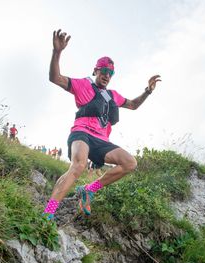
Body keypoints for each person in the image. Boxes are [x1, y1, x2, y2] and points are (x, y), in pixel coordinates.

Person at [43, 29, 161, 219]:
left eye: (111, 73)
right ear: (96, 70)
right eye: (104, 71)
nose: (107, 75)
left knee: (130, 163)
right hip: (81, 133)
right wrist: (57, 52)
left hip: (101, 140)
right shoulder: (83, 85)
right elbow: (55, 78)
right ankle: (47, 214)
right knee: (79, 165)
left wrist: (147, 91)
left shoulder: (113, 95)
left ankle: (88, 189)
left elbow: (133, 105)